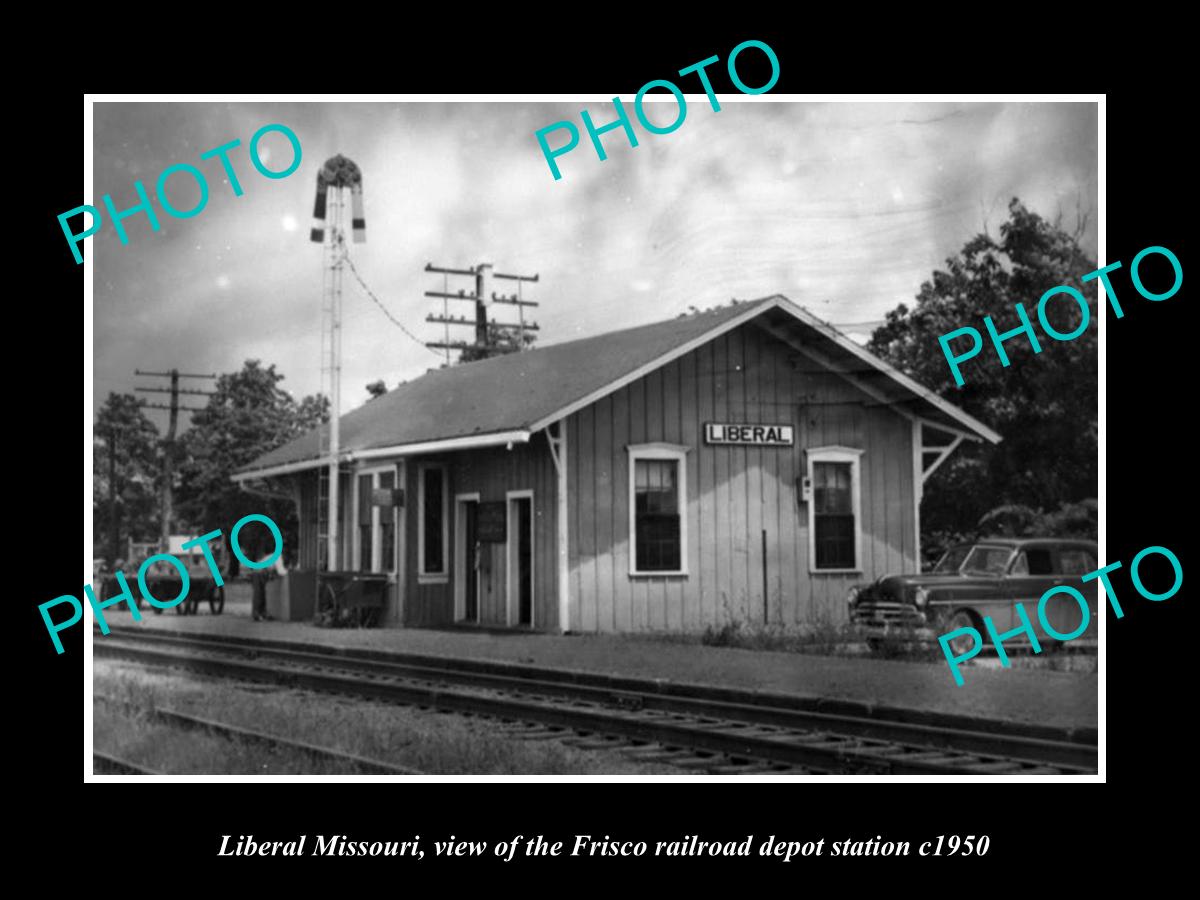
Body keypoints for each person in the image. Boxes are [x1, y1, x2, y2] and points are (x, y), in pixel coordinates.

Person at [250, 547, 288, 622]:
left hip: (258, 571)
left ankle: (262, 612)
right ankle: (257, 614)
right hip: (260, 572)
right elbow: (281, 571)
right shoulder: (278, 557)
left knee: (261, 593)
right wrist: (288, 573)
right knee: (259, 593)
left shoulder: (274, 555)